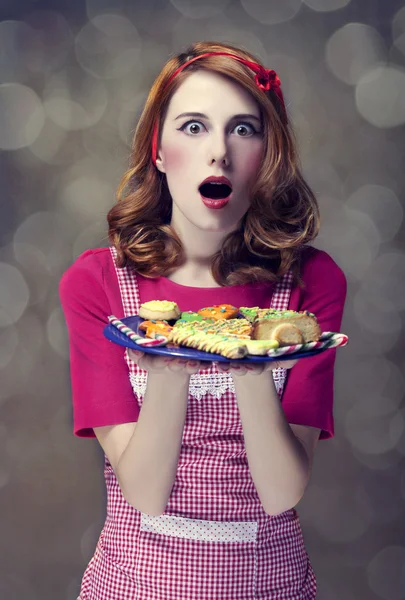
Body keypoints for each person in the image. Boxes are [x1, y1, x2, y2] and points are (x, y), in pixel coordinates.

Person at [60, 41, 347, 600]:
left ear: (271, 154)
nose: (219, 151)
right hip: (134, 586)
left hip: (270, 586)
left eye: (244, 129)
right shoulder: (97, 284)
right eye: (193, 127)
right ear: (159, 151)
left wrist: (250, 356)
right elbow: (143, 489)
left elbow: (282, 490)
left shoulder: (311, 284)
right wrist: (171, 360)